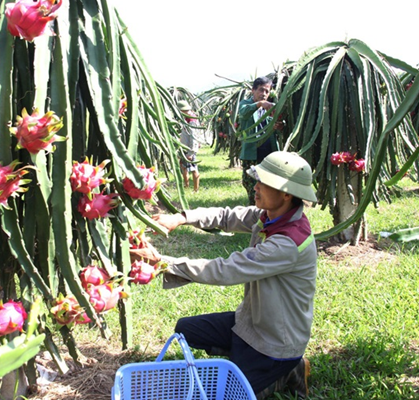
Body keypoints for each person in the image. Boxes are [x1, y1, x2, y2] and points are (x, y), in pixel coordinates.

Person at [129, 151, 318, 399]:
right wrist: (181, 217)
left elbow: (226, 270)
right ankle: (276, 367)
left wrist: (163, 262)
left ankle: (286, 368)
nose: (256, 187)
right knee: (186, 328)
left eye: (264, 183)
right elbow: (227, 216)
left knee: (229, 394)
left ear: (286, 193)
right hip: (251, 322)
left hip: (274, 342)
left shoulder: (288, 243)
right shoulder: (270, 217)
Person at [239, 76, 283, 205]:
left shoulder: (271, 108)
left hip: (269, 153)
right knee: (251, 184)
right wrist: (258, 104)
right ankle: (255, 211)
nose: (264, 94)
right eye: (261, 90)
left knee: (270, 185)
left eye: (267, 91)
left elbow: (276, 124)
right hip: (252, 154)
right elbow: (243, 113)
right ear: (253, 90)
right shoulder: (246, 105)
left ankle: (268, 211)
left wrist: (279, 126)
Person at [178, 100, 200, 192]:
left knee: (193, 169)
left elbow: (193, 137)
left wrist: (191, 152)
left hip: (190, 149)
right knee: (184, 167)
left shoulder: (191, 120)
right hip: (185, 147)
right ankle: (186, 186)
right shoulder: (186, 118)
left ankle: (196, 189)